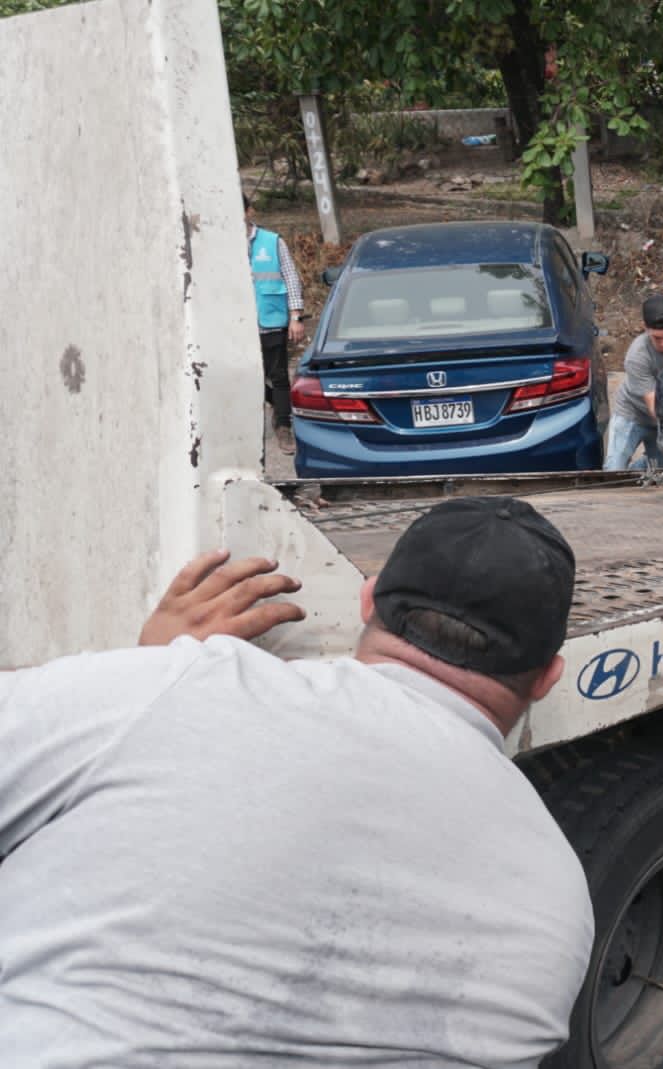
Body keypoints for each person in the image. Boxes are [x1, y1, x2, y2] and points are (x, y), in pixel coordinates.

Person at [0, 498, 595, 1066]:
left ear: (367, 600)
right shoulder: (563, 907)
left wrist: (149, 667)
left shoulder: (181, 687)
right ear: (548, 676)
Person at [245, 192, 306, 455]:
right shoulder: (219, 244)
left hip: (271, 319)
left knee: (279, 375)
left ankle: (283, 425)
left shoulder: (272, 241)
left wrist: (296, 316)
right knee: (248, 376)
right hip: (238, 326)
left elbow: (291, 278)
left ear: (249, 211)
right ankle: (279, 405)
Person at [605, 294, 663, 470]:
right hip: (633, 413)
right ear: (645, 328)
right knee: (614, 469)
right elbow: (654, 407)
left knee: (658, 473)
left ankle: (636, 473)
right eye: (658, 338)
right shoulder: (637, 357)